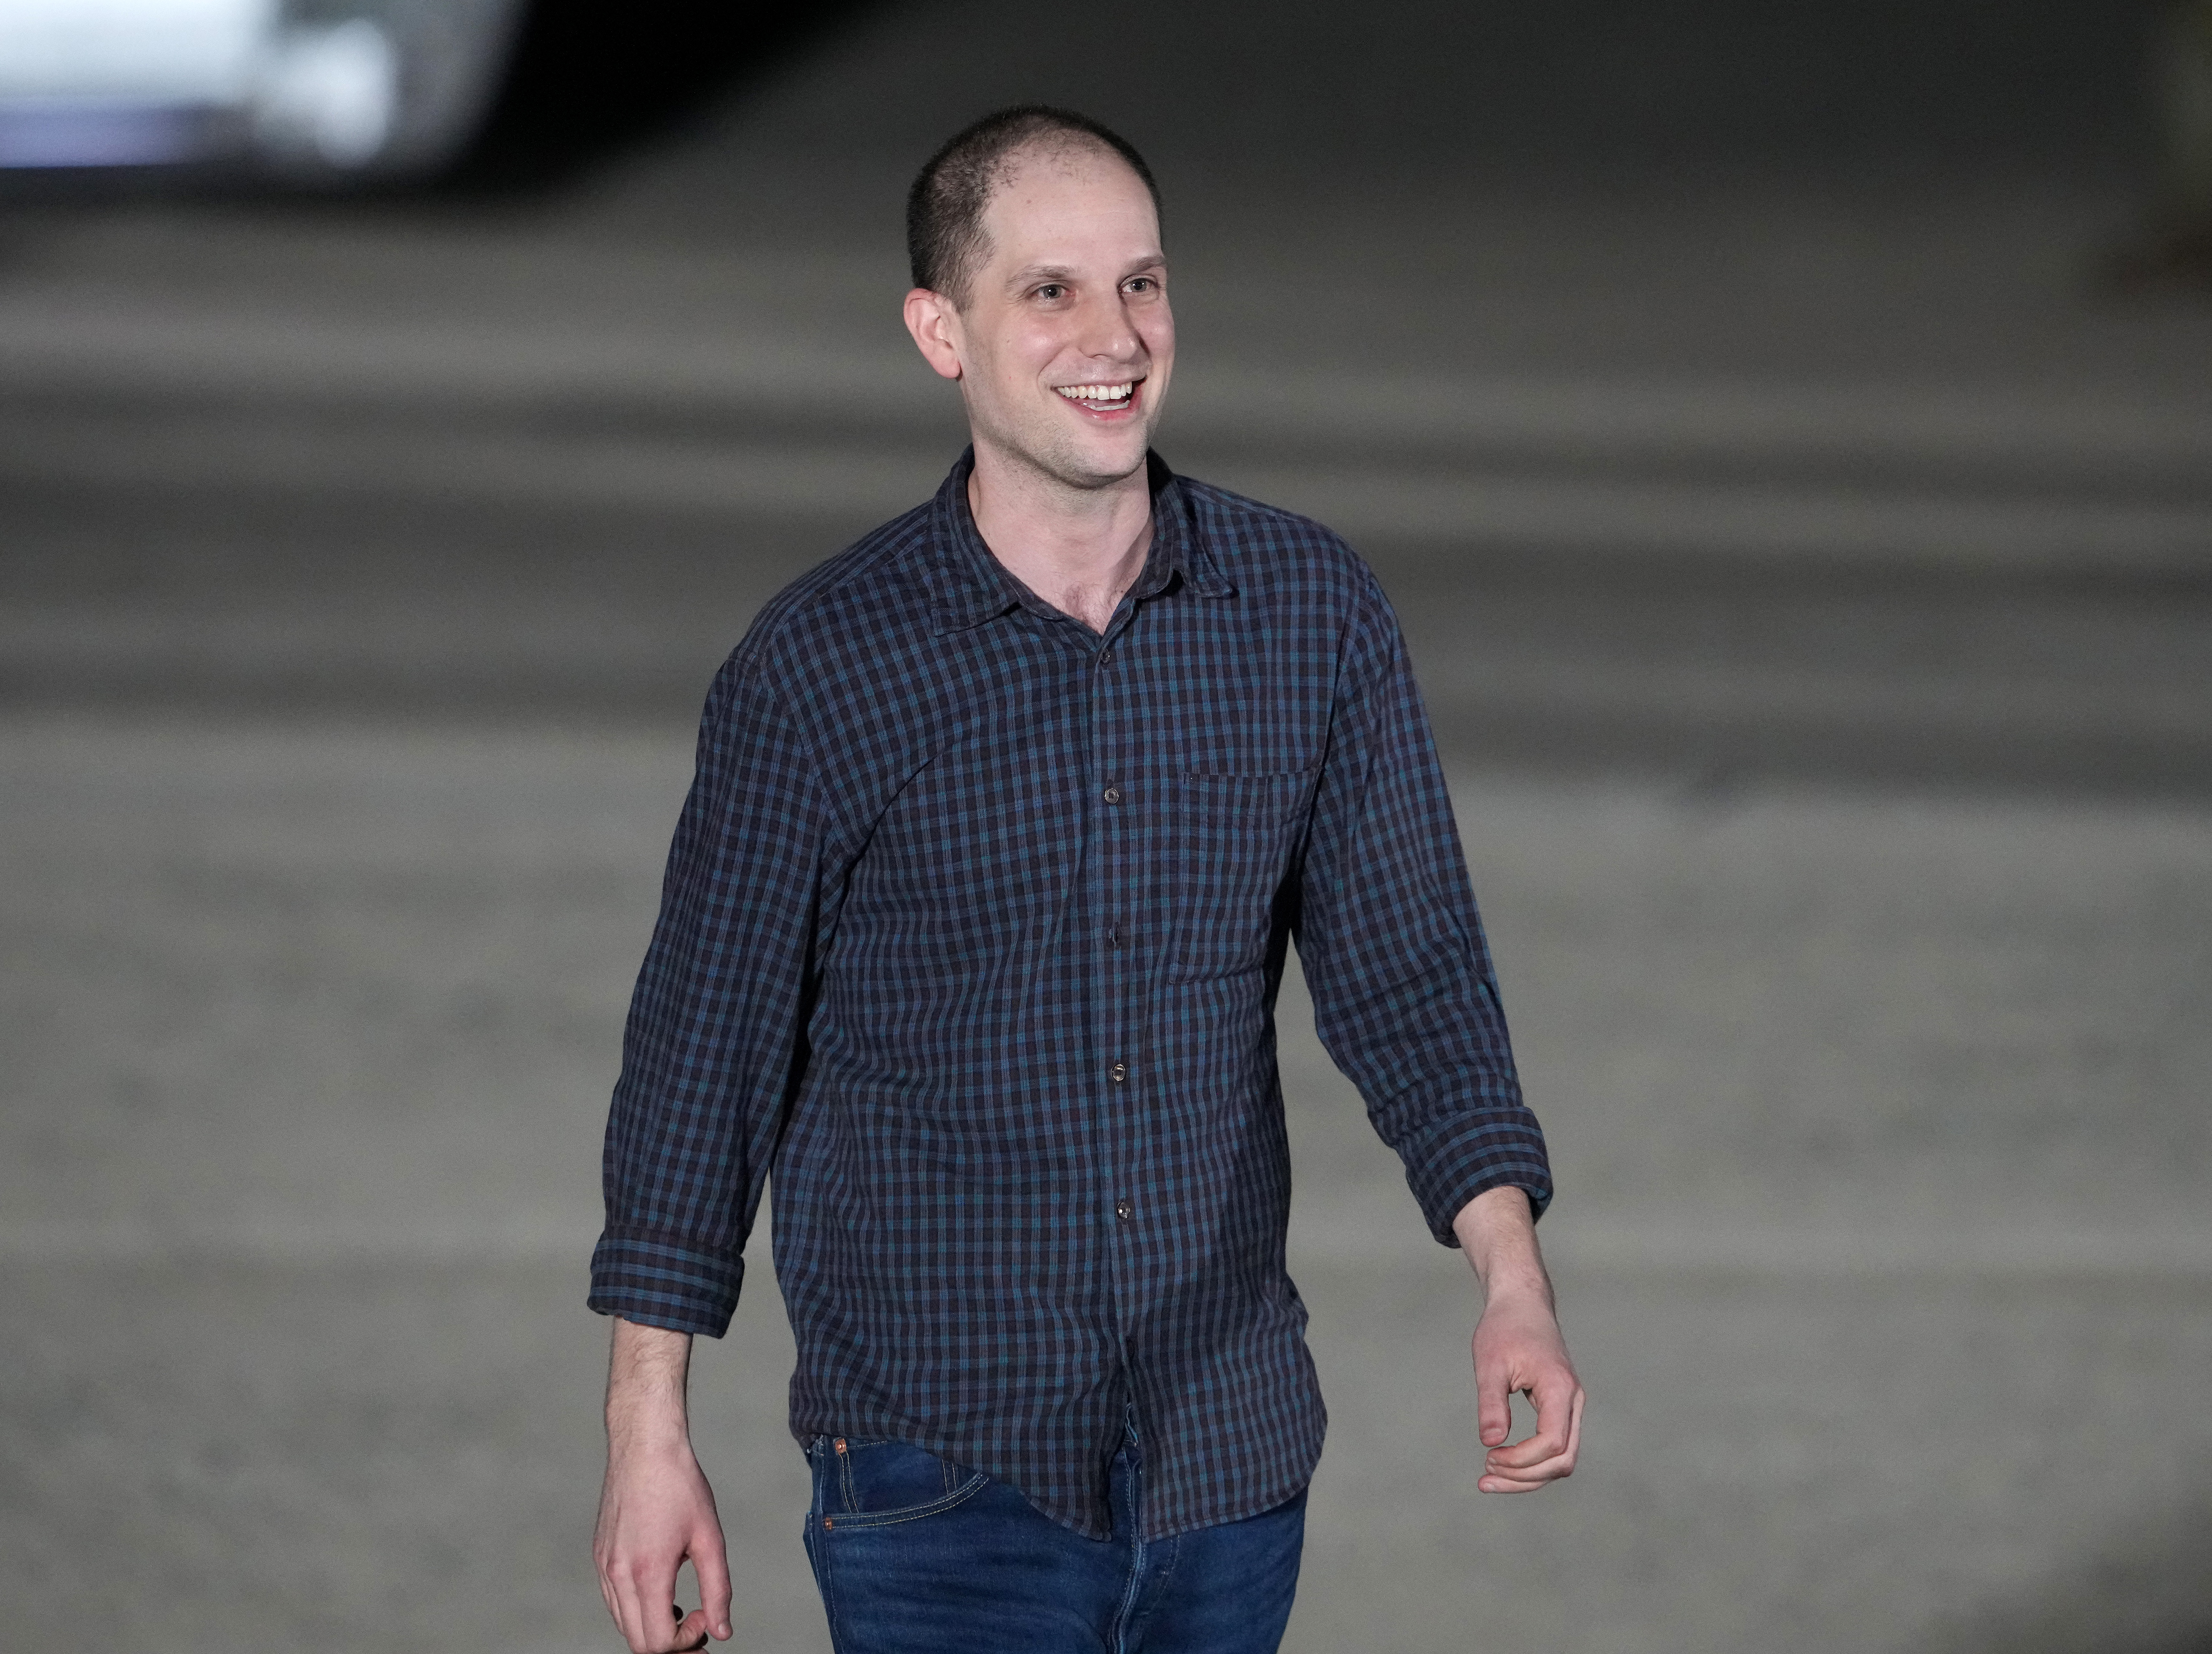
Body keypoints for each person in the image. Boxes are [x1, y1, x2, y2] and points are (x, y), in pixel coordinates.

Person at [588, 105, 1584, 1654]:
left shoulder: (1304, 614)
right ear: (941, 331)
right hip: (938, 1470)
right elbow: (700, 1063)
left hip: (1227, 1457)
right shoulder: (822, 669)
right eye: (1047, 291)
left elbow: (1411, 975)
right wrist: (647, 1435)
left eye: (1141, 283)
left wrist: (1508, 1273)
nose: (1111, 336)